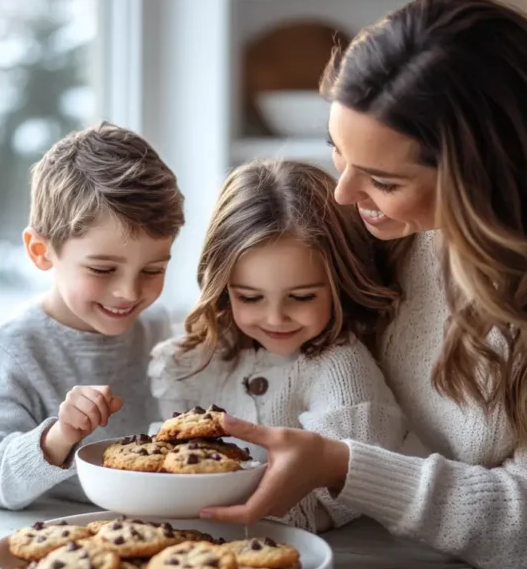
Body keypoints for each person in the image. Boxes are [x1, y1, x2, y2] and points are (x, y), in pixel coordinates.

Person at [200, 0, 527, 569]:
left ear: (481, 177)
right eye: (336, 154)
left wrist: (342, 465)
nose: (347, 193)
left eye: (382, 178)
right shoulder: (396, 230)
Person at [149, 159, 425, 531]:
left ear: (339, 283)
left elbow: (348, 494)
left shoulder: (341, 367)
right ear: (222, 288)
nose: (276, 318)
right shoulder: (194, 359)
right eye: (250, 297)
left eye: (301, 297)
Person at [0, 122, 184, 510]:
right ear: (41, 250)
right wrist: (59, 437)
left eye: (153, 271)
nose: (129, 293)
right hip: (60, 539)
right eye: (102, 270)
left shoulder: (157, 328)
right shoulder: (10, 350)